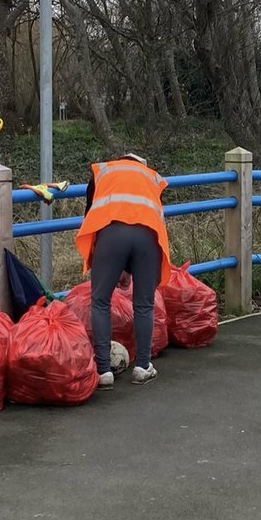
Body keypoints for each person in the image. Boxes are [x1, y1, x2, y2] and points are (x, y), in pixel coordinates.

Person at [75, 152, 171, 388]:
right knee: (144, 304)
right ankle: (143, 366)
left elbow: (92, 214)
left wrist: (115, 264)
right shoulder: (152, 177)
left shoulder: (103, 172)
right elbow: (144, 215)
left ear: (120, 160)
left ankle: (103, 371)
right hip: (148, 237)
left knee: (100, 301)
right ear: (141, 164)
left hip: (111, 235)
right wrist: (128, 267)